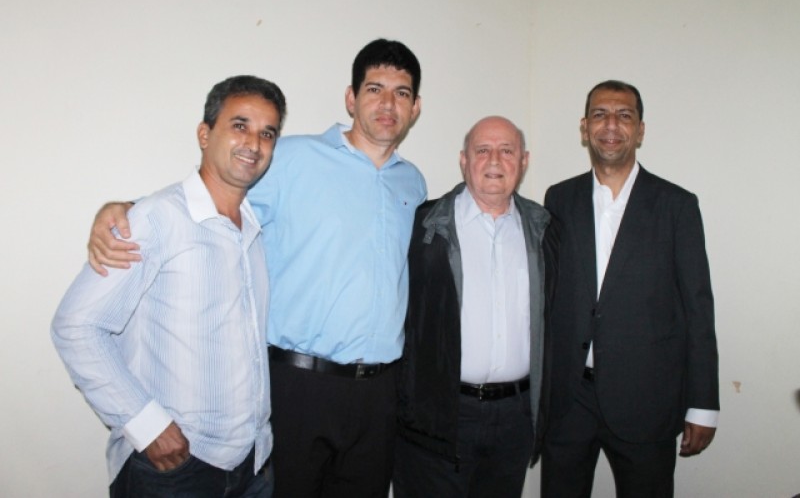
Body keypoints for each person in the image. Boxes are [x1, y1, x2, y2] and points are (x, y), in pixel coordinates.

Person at [85, 39, 426, 498]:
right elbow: (214, 197)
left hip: (378, 395)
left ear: (415, 107)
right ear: (351, 98)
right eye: (374, 89)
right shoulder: (292, 158)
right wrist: (127, 207)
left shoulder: (413, 182)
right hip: (298, 386)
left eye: (401, 93)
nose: (387, 104)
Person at [51, 75, 287, 497]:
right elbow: (76, 326)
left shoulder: (253, 227)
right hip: (176, 469)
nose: (254, 143)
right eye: (240, 125)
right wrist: (146, 425)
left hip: (253, 463)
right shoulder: (155, 219)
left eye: (267, 133)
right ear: (204, 134)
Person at [540, 80, 719, 497]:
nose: (611, 125)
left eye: (624, 115)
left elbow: (698, 308)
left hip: (647, 399)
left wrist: (703, 404)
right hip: (569, 401)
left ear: (640, 130)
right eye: (600, 114)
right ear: (584, 127)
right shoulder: (559, 199)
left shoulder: (677, 205)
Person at [393, 116, 556, 498]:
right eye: (482, 150)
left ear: (524, 161)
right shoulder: (422, 226)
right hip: (438, 416)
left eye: (507, 150)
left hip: (515, 419)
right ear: (463, 160)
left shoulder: (545, 231)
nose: (494, 160)